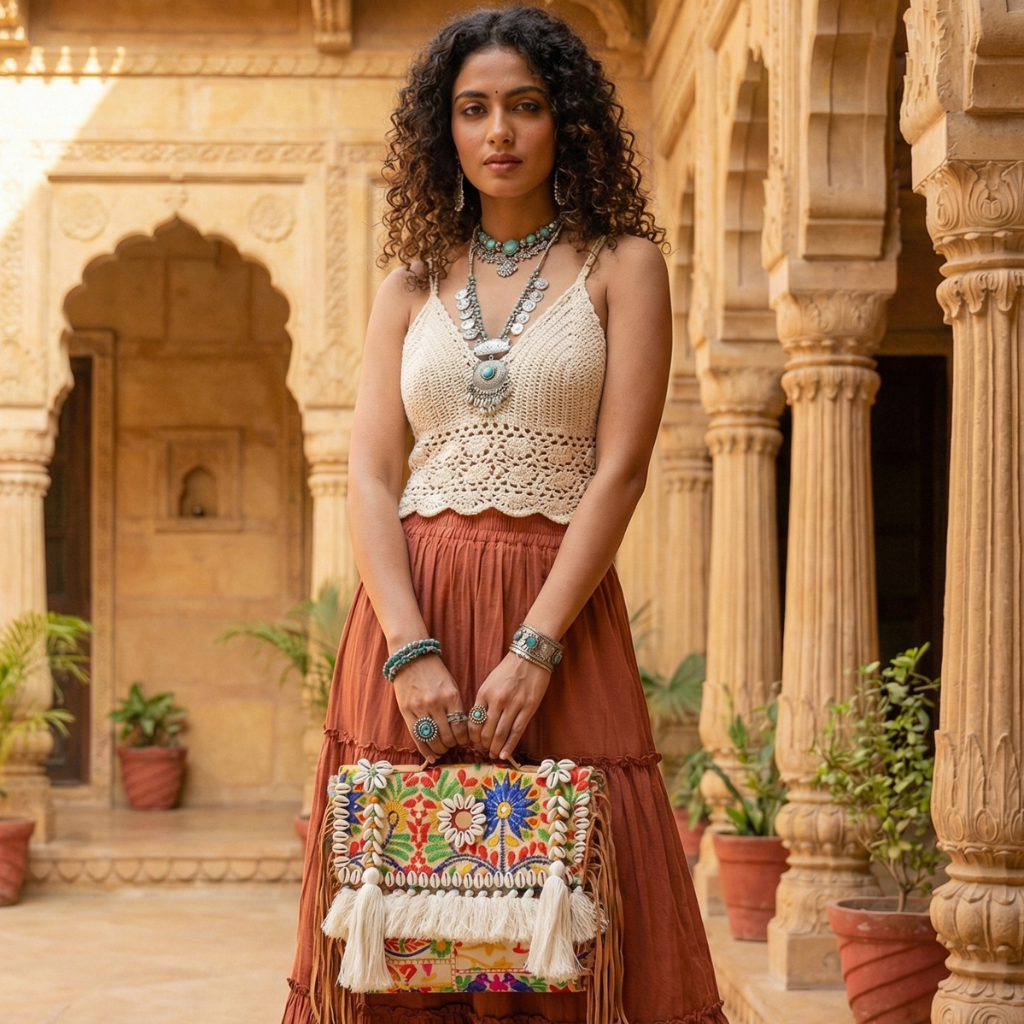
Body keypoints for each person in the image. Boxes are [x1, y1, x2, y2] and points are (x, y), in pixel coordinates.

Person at [283, 8, 726, 1024]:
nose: (499, 131)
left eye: (524, 106)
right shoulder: (408, 282)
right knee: (401, 907)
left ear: (562, 121)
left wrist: (535, 648)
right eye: (474, 108)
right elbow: (368, 470)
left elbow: (618, 471)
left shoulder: (623, 265)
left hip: (555, 620)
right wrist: (407, 648)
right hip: (415, 615)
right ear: (445, 130)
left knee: (570, 909)